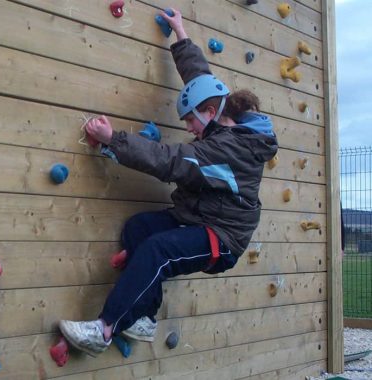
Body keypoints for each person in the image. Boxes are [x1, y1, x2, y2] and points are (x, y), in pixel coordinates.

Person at [59, 9, 278, 357]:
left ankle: (103, 329)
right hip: (197, 215)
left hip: (221, 237)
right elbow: (199, 77)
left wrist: (113, 139)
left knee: (157, 251)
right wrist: (180, 32)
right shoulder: (226, 117)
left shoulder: (228, 150)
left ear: (209, 112)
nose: (189, 128)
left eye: (190, 120)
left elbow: (169, 161)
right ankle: (143, 317)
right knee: (139, 228)